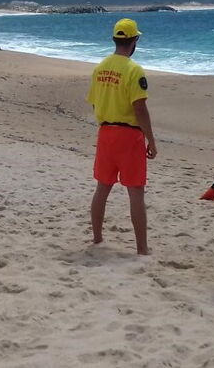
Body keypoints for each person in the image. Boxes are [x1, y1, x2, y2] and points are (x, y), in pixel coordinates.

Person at [86, 18, 157, 255]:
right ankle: (142, 248)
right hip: (129, 135)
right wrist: (151, 140)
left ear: (115, 39)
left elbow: (95, 103)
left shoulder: (100, 68)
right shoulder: (133, 70)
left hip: (106, 132)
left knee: (102, 188)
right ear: (134, 40)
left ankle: (97, 238)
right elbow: (140, 108)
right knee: (135, 193)